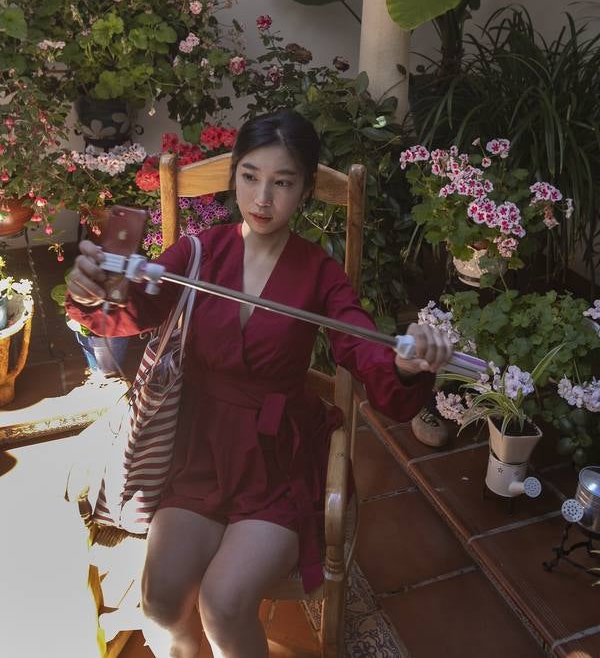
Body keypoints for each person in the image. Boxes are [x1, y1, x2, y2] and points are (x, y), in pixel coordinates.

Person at [66, 109, 452, 658]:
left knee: (224, 602)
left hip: (276, 458)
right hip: (197, 447)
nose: (262, 198)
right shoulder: (201, 253)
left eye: (283, 182)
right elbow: (130, 311)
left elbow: (363, 350)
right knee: (160, 598)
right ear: (234, 177)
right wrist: (94, 293)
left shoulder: (319, 272)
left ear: (305, 191)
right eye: (250, 176)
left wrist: (409, 365)